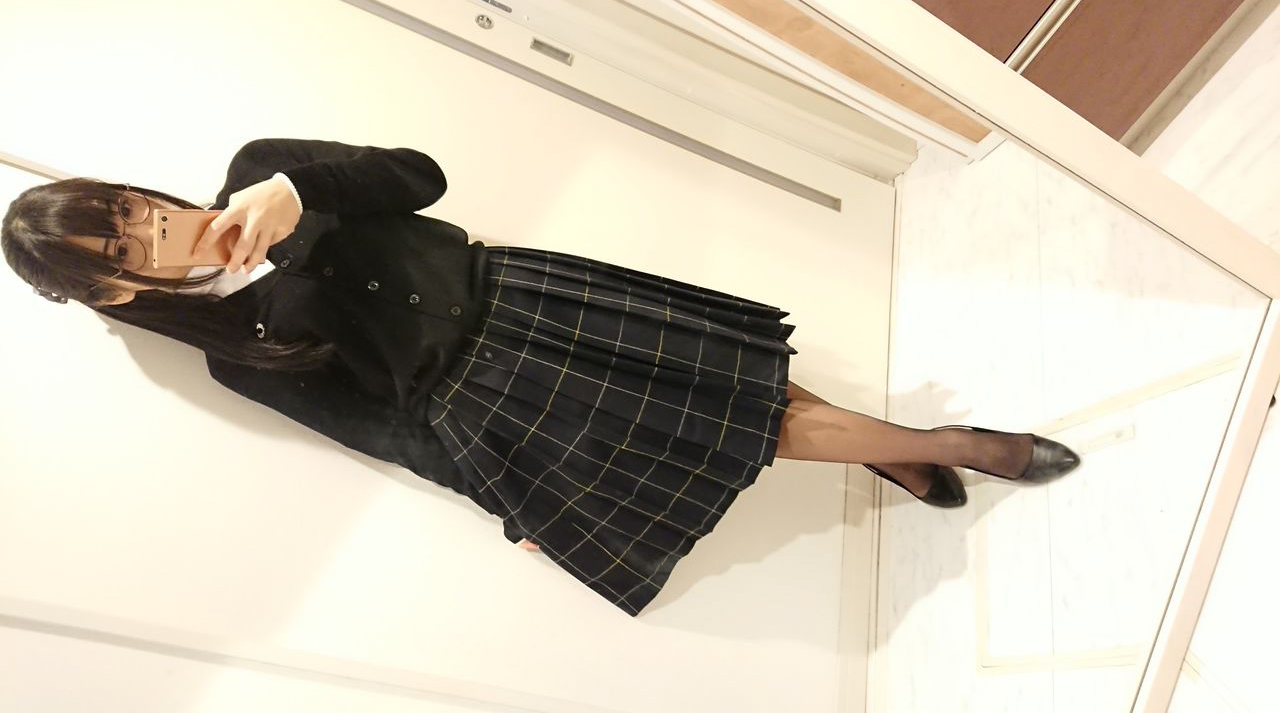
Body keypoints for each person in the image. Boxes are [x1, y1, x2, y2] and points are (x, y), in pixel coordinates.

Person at [1, 138, 1080, 616]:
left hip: (518, 293)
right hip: (488, 403)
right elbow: (385, 430)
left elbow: (420, 176)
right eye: (122, 246)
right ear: (115, 289)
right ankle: (954, 446)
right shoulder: (235, 351)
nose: (153, 227)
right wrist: (507, 497)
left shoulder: (258, 173)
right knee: (739, 422)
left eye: (127, 208)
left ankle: (901, 457)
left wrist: (297, 188)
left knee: (730, 374)